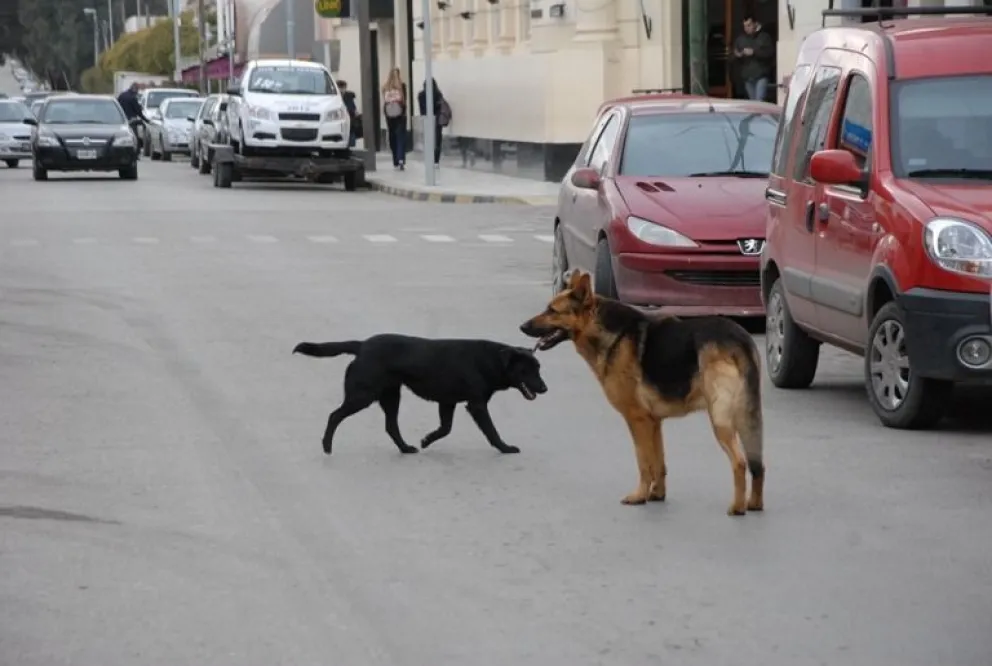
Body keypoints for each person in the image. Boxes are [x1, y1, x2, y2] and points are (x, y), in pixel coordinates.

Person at [733, 15, 774, 101]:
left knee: (759, 101)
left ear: (755, 24)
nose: (746, 28)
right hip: (748, 78)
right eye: (744, 26)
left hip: (761, 76)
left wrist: (754, 52)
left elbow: (769, 53)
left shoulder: (764, 37)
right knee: (753, 103)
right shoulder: (740, 39)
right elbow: (733, 55)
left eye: (749, 25)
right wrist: (737, 55)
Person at [381, 68, 407, 170]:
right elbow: (404, 101)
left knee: (392, 137)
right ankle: (401, 159)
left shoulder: (385, 87)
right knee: (401, 137)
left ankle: (395, 160)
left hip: (389, 115)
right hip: (400, 115)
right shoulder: (402, 86)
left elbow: (385, 102)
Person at [417, 77, 446, 168]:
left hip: (427, 120)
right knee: (437, 139)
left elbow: (421, 109)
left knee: (428, 139)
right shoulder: (438, 94)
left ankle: (429, 158)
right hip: (437, 120)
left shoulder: (421, 95)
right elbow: (440, 108)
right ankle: (436, 160)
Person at [116, 82, 150, 152]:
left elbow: (117, 107)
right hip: (132, 120)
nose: (137, 92)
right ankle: (135, 152)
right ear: (135, 89)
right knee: (134, 137)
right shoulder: (132, 98)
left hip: (122, 120)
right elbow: (138, 111)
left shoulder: (122, 95)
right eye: (137, 90)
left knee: (122, 137)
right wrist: (146, 120)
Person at [337, 79, 359, 148]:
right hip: (340, 122)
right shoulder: (335, 97)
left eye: (343, 88)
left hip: (349, 122)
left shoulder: (349, 96)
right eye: (340, 88)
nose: (341, 90)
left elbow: (353, 109)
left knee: (350, 141)